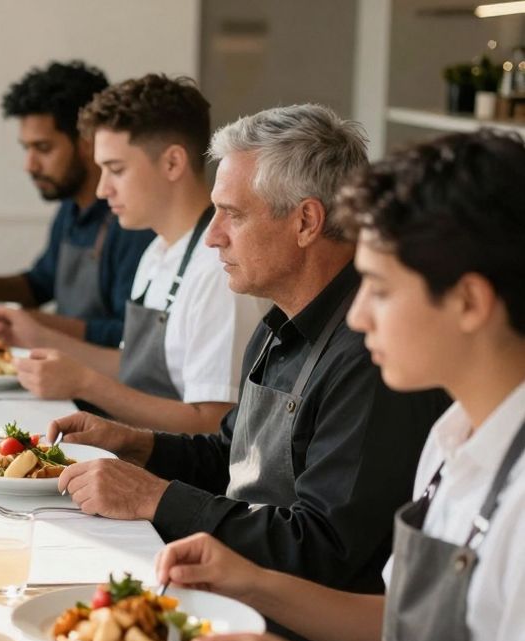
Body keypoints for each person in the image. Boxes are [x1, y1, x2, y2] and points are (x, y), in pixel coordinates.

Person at [157, 130, 525, 641]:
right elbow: (397, 632)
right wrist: (249, 578)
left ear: (469, 302)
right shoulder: (453, 437)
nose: (357, 318)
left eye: (380, 291)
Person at [45, 104, 449, 601]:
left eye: (232, 214)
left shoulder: (370, 357)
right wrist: (135, 444)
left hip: (291, 625)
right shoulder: (276, 323)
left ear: (306, 221)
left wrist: (154, 497)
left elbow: (323, 549)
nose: (212, 235)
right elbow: (231, 456)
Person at [0, 75, 267, 433]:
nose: (102, 189)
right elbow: (132, 366)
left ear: (172, 163)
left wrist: (85, 384)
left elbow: (212, 425)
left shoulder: (218, 271)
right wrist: (45, 343)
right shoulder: (156, 251)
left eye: (116, 170)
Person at [0, 60, 154, 348]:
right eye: (26, 148)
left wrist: (37, 323)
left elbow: (129, 336)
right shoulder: (69, 209)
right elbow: (41, 284)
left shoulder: (130, 223)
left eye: (43, 148)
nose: (29, 165)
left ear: (87, 142)